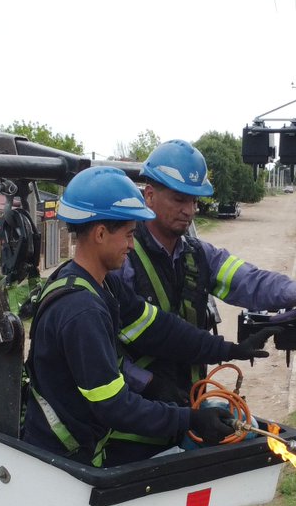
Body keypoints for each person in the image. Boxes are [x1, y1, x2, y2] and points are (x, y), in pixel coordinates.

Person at [20, 166, 277, 467]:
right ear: (101, 234)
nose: (132, 245)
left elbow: (161, 329)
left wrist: (228, 349)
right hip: (59, 463)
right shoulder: (81, 311)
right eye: (129, 235)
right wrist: (190, 419)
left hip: (79, 452)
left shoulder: (101, 283)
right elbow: (115, 406)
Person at [118, 139, 296, 404]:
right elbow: (98, 350)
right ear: (150, 196)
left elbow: (250, 282)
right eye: (179, 199)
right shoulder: (121, 259)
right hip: (134, 418)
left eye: (194, 201)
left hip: (190, 406)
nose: (189, 210)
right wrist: (148, 385)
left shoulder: (198, 255)